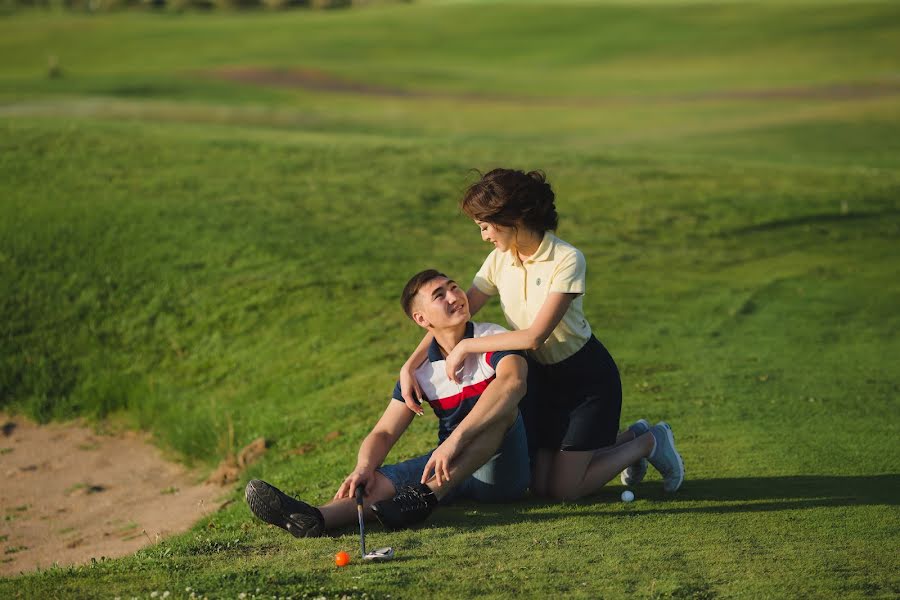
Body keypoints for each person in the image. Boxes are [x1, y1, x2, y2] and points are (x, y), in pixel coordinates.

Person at [399, 168, 684, 501]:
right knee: (541, 483)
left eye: (486, 226)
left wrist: (467, 347)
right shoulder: (498, 260)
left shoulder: (566, 259)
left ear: (511, 218)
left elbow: (535, 336)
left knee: (563, 490)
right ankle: (634, 434)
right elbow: (456, 318)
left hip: (584, 379)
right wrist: (410, 364)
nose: (485, 236)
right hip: (540, 380)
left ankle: (649, 442)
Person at [245, 269, 530, 536]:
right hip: (447, 467)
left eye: (454, 288)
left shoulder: (492, 336)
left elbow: (512, 383)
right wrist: (363, 467)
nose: (455, 297)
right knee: (377, 479)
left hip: (499, 472)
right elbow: (384, 431)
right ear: (421, 319)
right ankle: (315, 518)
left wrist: (453, 442)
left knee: (505, 414)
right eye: (440, 295)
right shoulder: (420, 372)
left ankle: (426, 498)